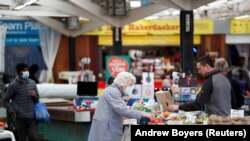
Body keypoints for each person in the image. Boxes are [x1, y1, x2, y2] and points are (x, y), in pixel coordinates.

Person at [88, 71, 152, 141]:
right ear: (123, 82)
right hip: (106, 130)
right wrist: (143, 114)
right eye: (129, 85)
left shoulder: (113, 90)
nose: (130, 87)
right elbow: (123, 110)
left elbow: (116, 109)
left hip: (106, 127)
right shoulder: (113, 92)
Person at [3, 63, 39, 141]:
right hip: (20, 117)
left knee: (33, 137)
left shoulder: (32, 83)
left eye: (27, 70)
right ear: (19, 72)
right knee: (22, 138)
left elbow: (37, 100)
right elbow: (5, 99)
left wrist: (35, 95)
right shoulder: (13, 85)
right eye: (24, 70)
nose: (27, 72)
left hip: (32, 116)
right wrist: (12, 111)